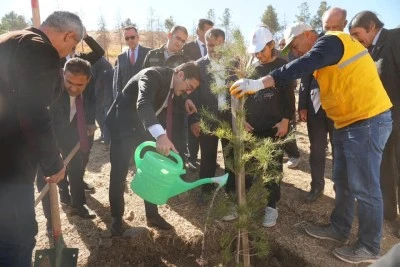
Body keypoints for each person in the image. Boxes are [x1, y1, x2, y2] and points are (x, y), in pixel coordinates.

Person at [230, 22, 392, 264]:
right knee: (343, 181)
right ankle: (339, 228)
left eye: (295, 46)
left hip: (366, 120)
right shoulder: (324, 52)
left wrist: (260, 83)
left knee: (365, 187)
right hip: (347, 122)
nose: (295, 52)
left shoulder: (331, 41)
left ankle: (369, 246)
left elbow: (300, 66)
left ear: (308, 35)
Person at [0, 11, 83, 266]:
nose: (69, 53)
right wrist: (53, 161)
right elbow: (34, 111)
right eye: (72, 45)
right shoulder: (41, 51)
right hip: (9, 164)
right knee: (17, 239)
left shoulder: (10, 39)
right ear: (68, 35)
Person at [106, 62, 200, 235]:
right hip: (123, 127)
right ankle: (116, 219)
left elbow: (164, 102)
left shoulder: (174, 86)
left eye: (192, 90)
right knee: (119, 173)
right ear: (180, 75)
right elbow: (143, 104)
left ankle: (152, 215)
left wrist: (186, 99)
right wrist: (161, 135)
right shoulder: (152, 75)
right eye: (189, 87)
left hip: (143, 127)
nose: (189, 91)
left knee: (152, 170)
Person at [228, 25, 295, 227]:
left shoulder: (283, 66)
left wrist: (285, 120)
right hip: (251, 127)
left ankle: (271, 207)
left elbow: (289, 97)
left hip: (274, 127)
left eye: (262, 50)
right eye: (256, 51)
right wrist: (241, 118)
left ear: (272, 44)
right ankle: (239, 203)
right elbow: (238, 97)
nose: (259, 54)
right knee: (246, 167)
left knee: (272, 168)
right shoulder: (251, 67)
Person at [349, 11, 400, 232]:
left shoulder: (395, 38)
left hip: (397, 118)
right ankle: (388, 211)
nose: (355, 39)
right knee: (384, 166)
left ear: (371, 26)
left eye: (357, 33)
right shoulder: (368, 51)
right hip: (381, 120)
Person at [37, 58, 96, 234]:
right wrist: (51, 154)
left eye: (80, 84)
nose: (74, 88)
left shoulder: (89, 84)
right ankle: (51, 221)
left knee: (76, 167)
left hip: (69, 129)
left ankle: (79, 204)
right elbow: (41, 121)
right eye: (69, 82)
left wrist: (90, 121)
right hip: (45, 134)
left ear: (88, 80)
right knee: (46, 176)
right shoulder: (50, 89)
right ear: (63, 74)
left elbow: (91, 100)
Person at [299, 7, 347, 202]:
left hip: (338, 107)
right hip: (315, 106)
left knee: (339, 151)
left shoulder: (348, 45)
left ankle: (340, 191)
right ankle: (316, 187)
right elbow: (305, 76)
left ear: (344, 24)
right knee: (317, 149)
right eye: (327, 27)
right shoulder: (317, 44)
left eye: (336, 27)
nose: (331, 31)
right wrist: (302, 105)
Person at [188, 28, 234, 203]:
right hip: (206, 118)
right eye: (209, 45)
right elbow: (192, 95)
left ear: (223, 43)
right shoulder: (199, 65)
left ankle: (231, 188)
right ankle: (206, 189)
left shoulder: (233, 64)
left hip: (229, 118)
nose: (212, 49)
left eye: (216, 45)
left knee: (230, 155)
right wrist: (194, 120)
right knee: (207, 156)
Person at [142, 25, 191, 167]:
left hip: (176, 109)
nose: (180, 43)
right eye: (178, 38)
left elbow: (186, 85)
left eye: (183, 41)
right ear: (169, 35)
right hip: (155, 107)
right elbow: (143, 78)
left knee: (177, 142)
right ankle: (153, 171)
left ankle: (176, 174)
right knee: (154, 141)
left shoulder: (185, 60)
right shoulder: (152, 55)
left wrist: (187, 99)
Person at [183, 19, 214, 171]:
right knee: (193, 130)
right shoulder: (187, 48)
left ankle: (207, 159)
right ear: (199, 31)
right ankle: (192, 158)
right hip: (192, 95)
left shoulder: (217, 52)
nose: (210, 34)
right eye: (207, 31)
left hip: (209, 100)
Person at [114, 25, 151, 97]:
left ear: (138, 37)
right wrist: (118, 99)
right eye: (127, 38)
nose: (130, 40)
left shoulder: (149, 53)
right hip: (126, 100)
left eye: (132, 37)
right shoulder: (121, 57)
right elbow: (118, 81)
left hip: (144, 98)